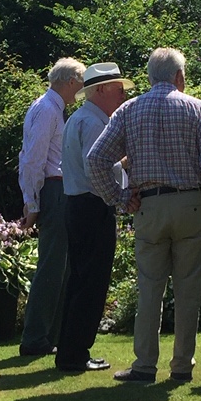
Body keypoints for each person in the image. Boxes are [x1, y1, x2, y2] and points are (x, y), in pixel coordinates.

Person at [88, 47, 201, 384]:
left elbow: (96, 159)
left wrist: (120, 198)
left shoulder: (128, 110)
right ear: (179, 77)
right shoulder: (197, 108)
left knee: (150, 288)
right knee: (189, 289)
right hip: (191, 204)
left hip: (149, 205)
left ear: (150, 76)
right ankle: (181, 366)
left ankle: (144, 366)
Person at [55, 62, 134, 373]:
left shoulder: (80, 118)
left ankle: (71, 351)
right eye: (117, 89)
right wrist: (124, 178)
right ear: (101, 90)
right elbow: (96, 168)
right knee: (91, 282)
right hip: (92, 205)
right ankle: (75, 354)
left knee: (79, 280)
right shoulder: (95, 123)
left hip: (78, 205)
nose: (122, 95)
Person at [17, 57, 85, 356]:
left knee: (62, 265)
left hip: (58, 189)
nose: (81, 92)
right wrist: (31, 202)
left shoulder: (47, 107)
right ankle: (35, 338)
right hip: (54, 190)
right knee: (52, 266)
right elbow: (32, 159)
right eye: (80, 84)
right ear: (70, 81)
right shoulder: (47, 109)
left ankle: (50, 336)